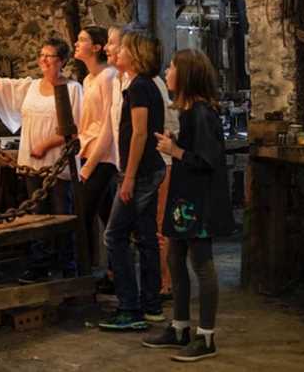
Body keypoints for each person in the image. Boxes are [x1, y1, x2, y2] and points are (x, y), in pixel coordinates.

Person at [0, 38, 83, 279]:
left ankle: (67, 267)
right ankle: (39, 265)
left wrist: (45, 145)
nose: (42, 60)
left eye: (49, 56)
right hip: (32, 166)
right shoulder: (30, 87)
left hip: (59, 165)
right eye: (41, 55)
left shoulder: (72, 90)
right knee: (36, 215)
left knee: (62, 213)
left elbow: (76, 128)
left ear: (61, 61)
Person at [142, 49, 234, 362]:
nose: (167, 72)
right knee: (176, 258)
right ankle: (180, 327)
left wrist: (175, 150)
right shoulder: (187, 112)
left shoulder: (202, 113)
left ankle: (206, 337)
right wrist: (176, 143)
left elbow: (208, 160)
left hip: (201, 202)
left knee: (202, 264)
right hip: (186, 200)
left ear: (186, 75)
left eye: (171, 68)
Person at [102, 26, 178, 297]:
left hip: (144, 169)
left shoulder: (142, 86)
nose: (111, 49)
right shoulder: (126, 83)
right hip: (140, 167)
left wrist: (129, 176)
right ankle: (150, 300)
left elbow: (141, 133)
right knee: (145, 234)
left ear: (133, 54)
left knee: (115, 235)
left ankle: (130, 303)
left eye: (118, 45)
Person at [73, 26, 117, 271]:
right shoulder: (88, 79)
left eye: (82, 40)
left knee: (85, 214)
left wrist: (90, 165)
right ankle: (109, 270)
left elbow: (109, 126)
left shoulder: (108, 77)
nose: (76, 43)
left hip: (103, 156)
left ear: (97, 47)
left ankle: (86, 271)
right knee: (106, 214)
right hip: (88, 151)